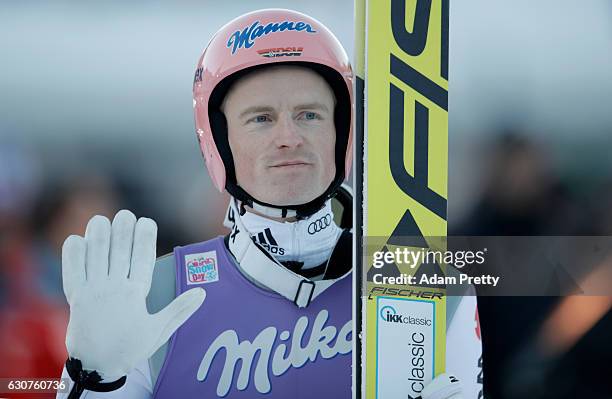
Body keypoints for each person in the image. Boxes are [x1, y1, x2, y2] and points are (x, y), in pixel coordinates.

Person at [57, 9, 480, 399]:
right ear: (219, 144)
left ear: (343, 132)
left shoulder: (432, 288)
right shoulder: (153, 295)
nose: (288, 137)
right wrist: (93, 379)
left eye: (310, 115)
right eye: (260, 118)